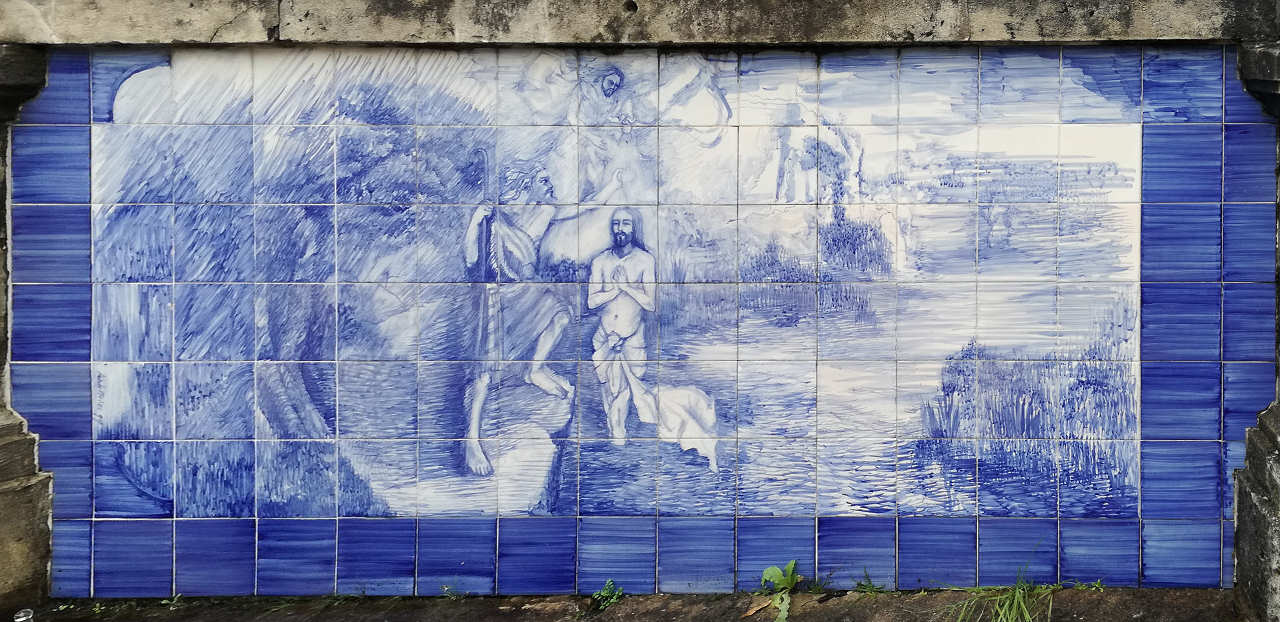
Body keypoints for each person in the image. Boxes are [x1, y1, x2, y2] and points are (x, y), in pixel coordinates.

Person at [460, 165, 576, 476]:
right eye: (512, 191)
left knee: (558, 311)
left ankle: (534, 369)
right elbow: (470, 259)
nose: (516, 196)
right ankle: (471, 440)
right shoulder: (491, 221)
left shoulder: (535, 217)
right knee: (485, 372)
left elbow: (575, 209)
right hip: (493, 297)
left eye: (520, 190)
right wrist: (475, 221)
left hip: (519, 295)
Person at [587, 207, 657, 443]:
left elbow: (650, 303)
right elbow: (591, 301)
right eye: (616, 223)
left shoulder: (645, 260)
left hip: (632, 338)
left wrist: (626, 286)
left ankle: (618, 431)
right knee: (607, 386)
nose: (620, 229)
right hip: (604, 337)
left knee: (625, 389)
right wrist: (615, 290)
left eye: (626, 223)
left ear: (634, 227)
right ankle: (614, 428)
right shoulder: (600, 261)